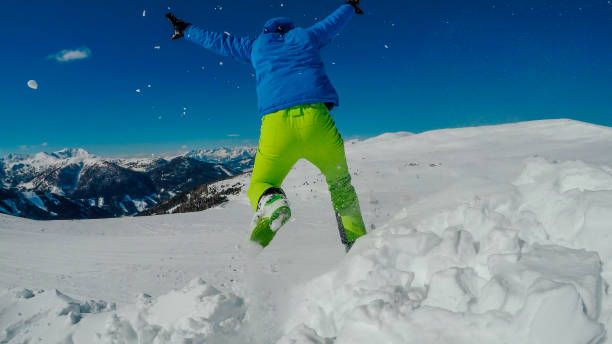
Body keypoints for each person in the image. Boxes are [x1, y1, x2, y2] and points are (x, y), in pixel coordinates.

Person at [166, 1, 367, 252]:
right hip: (318, 121)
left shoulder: (256, 45)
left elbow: (219, 42)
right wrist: (350, 6)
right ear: (289, 28)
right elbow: (333, 23)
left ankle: (269, 209)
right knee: (340, 186)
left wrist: (186, 29)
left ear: (267, 31)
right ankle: (357, 246)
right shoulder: (306, 36)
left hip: (276, 125)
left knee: (261, 183)